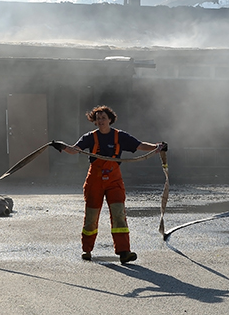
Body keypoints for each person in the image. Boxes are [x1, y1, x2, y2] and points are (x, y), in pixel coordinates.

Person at [50, 105, 167, 264]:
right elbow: (74, 150)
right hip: (95, 181)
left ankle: (124, 252)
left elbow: (139, 145)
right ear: (95, 121)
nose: (100, 120)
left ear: (110, 119)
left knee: (119, 215)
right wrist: (62, 146)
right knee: (91, 217)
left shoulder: (120, 136)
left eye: (103, 117)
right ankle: (87, 250)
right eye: (98, 118)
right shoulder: (89, 137)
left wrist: (157, 147)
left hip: (114, 180)